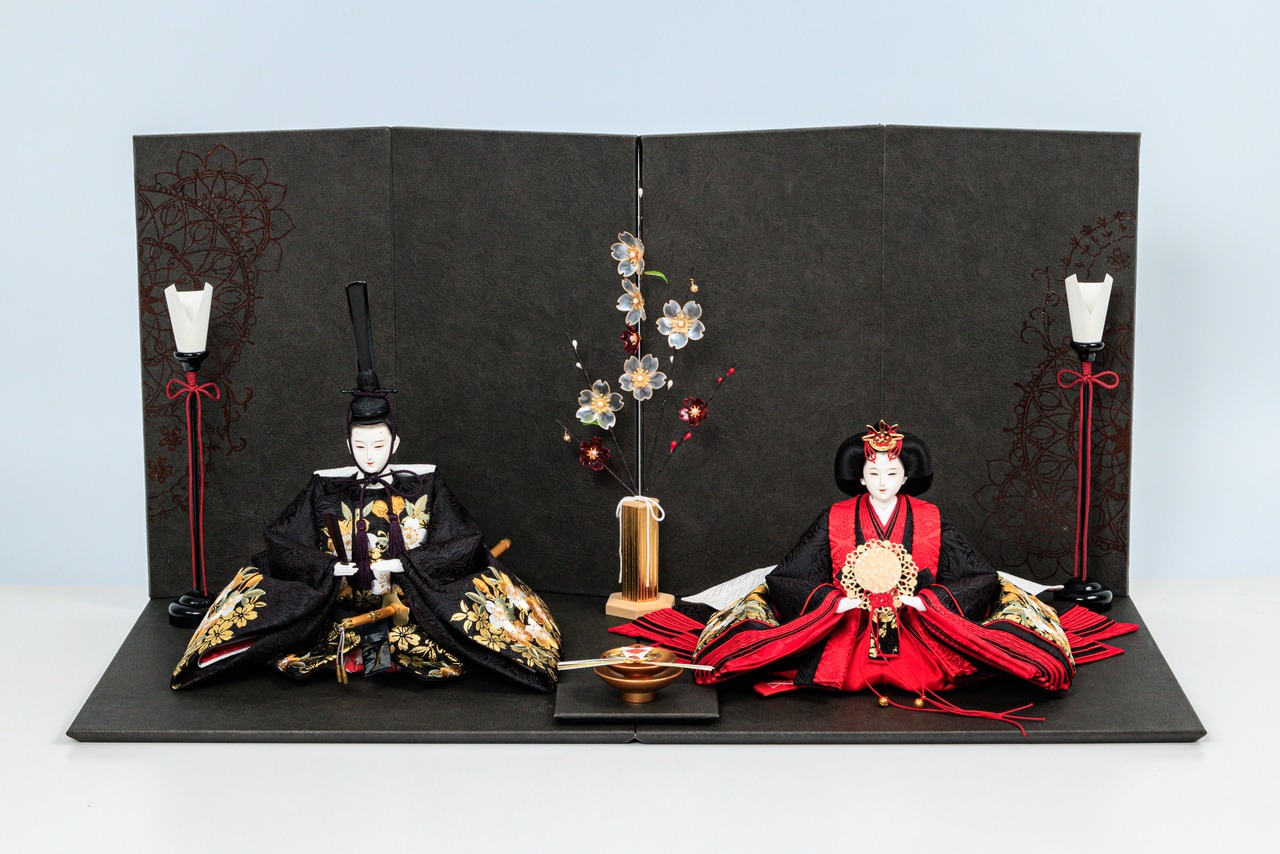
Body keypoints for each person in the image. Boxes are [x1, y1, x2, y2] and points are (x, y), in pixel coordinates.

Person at [172, 283, 561, 692]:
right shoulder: (325, 486)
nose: (370, 456)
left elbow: (463, 541)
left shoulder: (424, 483)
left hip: (409, 607)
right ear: (347, 445)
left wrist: (407, 565)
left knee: (474, 612)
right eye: (360, 446)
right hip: (340, 607)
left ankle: (391, 657)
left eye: (379, 445)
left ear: (395, 442)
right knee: (274, 611)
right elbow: (282, 540)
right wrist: (327, 568)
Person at [685, 421, 1075, 698]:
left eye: (892, 472)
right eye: (874, 473)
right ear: (860, 477)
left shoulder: (930, 518)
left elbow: (978, 576)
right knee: (817, 660)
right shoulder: (834, 517)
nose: (883, 482)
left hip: (915, 622)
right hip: (849, 622)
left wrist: (929, 600)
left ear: (906, 477)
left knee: (936, 672)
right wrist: (833, 602)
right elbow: (789, 577)